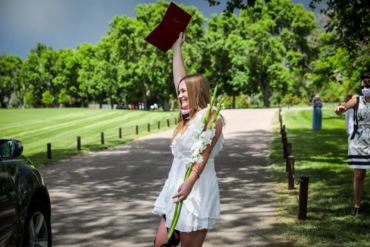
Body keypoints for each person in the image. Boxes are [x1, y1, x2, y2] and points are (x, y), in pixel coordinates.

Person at [152, 32, 225, 247]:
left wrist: (190, 183)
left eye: (184, 92)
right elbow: (180, 79)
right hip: (175, 187)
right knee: (160, 245)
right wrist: (177, 47)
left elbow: (204, 155)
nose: (180, 95)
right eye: (179, 92)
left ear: (197, 91)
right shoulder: (187, 115)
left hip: (196, 189)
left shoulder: (211, 118)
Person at [335, 72, 370, 216]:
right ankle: (357, 205)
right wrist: (339, 109)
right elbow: (342, 109)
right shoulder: (357, 100)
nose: (365, 89)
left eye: (368, 86)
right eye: (363, 86)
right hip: (359, 141)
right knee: (358, 174)